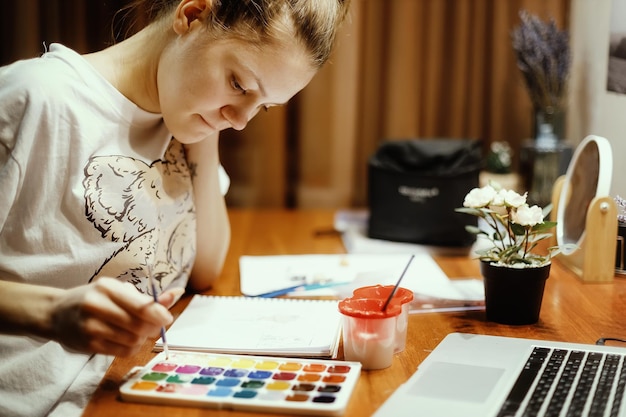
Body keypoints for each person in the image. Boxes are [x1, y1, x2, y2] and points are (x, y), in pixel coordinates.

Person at [0, 0, 350, 415]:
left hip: (123, 390)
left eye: (263, 107)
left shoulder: (181, 116)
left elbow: (204, 268)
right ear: (192, 15)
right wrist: (50, 313)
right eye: (239, 84)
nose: (241, 121)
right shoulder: (35, 98)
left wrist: (207, 129)